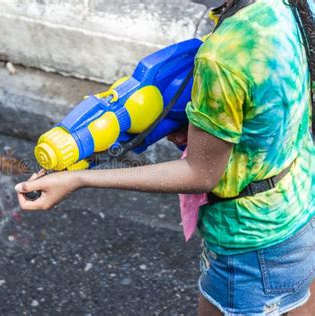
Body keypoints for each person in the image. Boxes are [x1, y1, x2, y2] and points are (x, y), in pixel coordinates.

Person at [16, 0, 314, 314]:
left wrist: (79, 178)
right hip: (299, 202)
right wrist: (207, 128)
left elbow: (200, 173)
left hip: (251, 240)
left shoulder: (223, 56)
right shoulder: (283, 7)